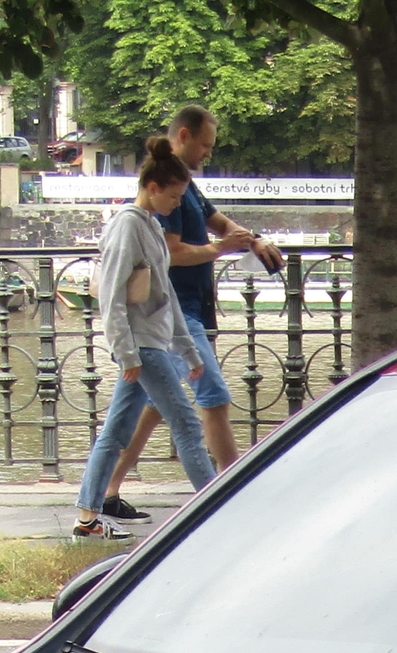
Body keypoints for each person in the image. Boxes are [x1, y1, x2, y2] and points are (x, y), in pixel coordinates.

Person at [93, 104, 281, 516]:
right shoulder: (169, 194)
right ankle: (231, 493)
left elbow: (219, 223)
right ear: (183, 137)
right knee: (212, 397)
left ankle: (105, 492)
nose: (209, 153)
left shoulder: (186, 186)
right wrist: (218, 250)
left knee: (152, 406)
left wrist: (255, 241)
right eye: (205, 145)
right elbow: (173, 254)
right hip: (175, 313)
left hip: (183, 312)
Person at [74, 137, 216, 539]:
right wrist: (126, 353)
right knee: (187, 424)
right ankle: (214, 507)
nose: (177, 205)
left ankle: (87, 519)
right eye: (173, 196)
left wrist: (187, 349)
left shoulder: (150, 226)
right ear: (153, 188)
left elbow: (165, 294)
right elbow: (113, 295)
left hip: (149, 345)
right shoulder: (128, 228)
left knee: (117, 432)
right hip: (142, 348)